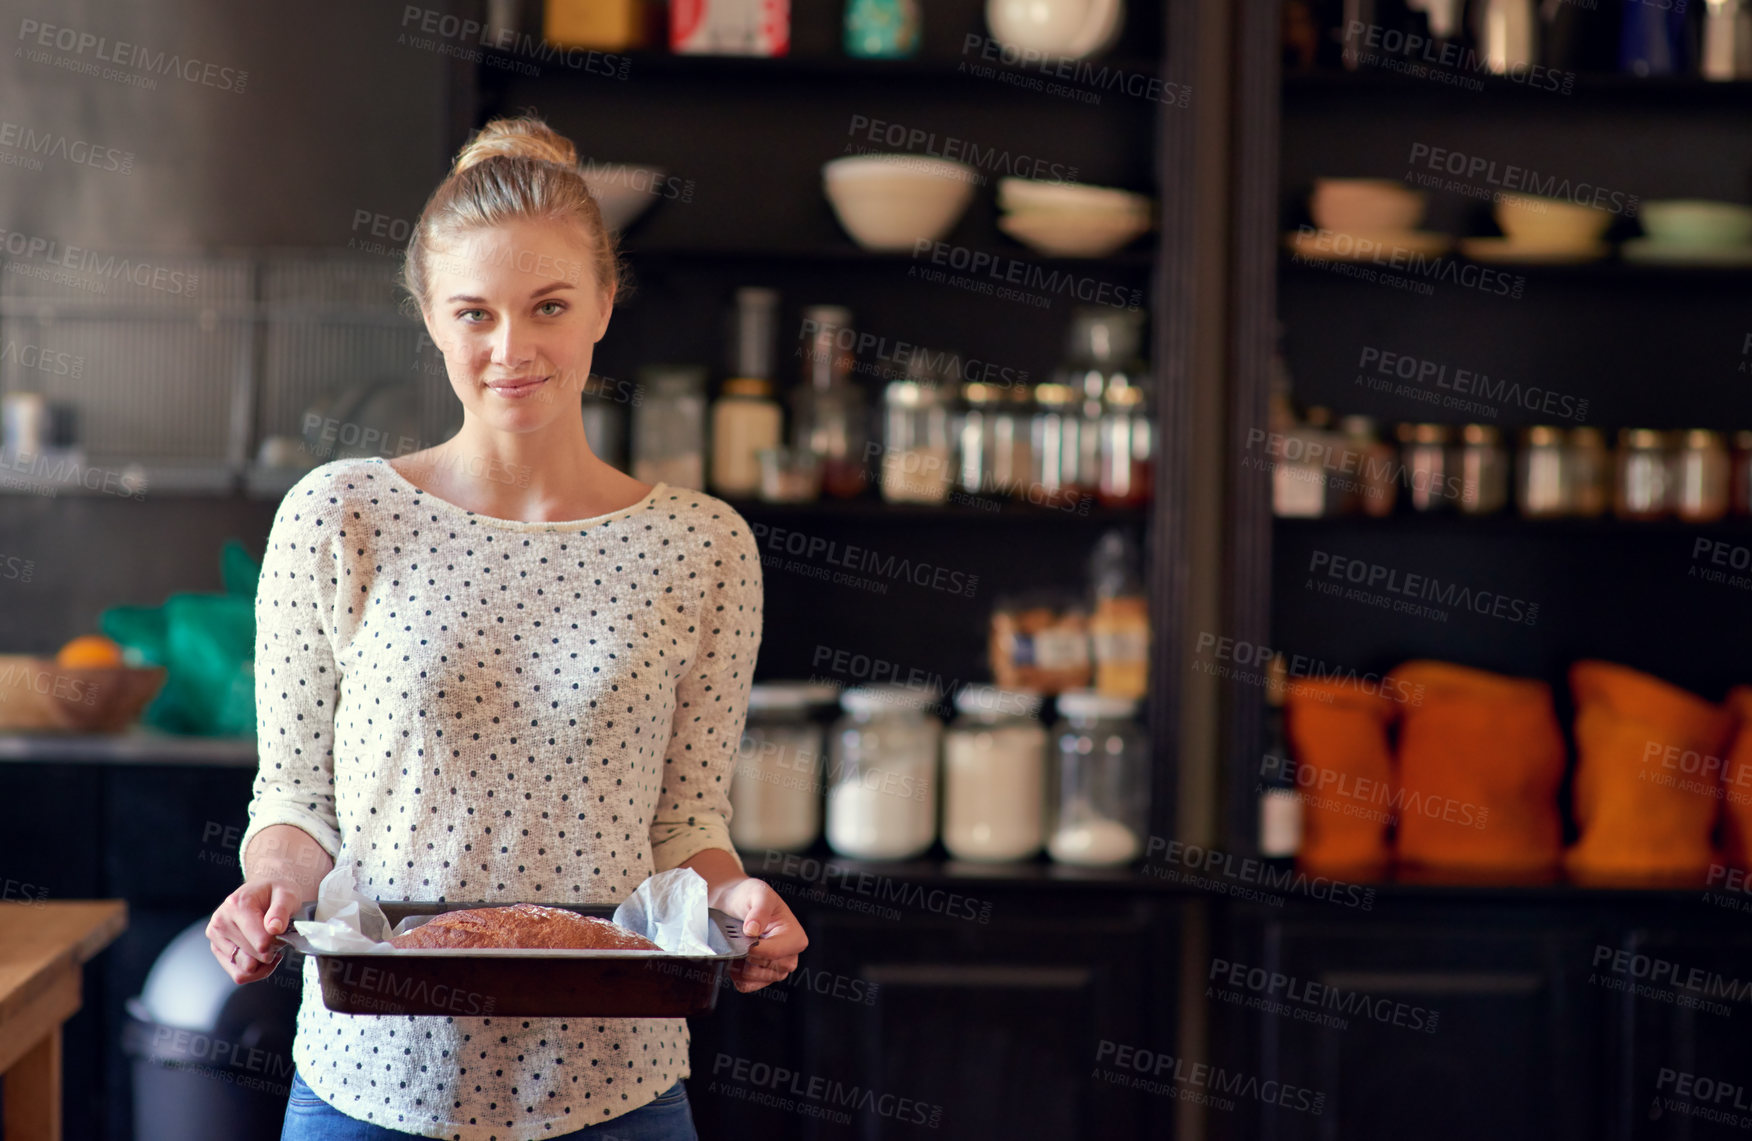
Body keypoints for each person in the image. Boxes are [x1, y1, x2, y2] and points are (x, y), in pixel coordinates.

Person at [204, 114, 806, 1141]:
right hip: (374, 1084)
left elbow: (684, 826)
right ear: (431, 319)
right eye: (475, 313)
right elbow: (299, 799)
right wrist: (267, 890)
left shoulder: (703, 545)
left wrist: (741, 903)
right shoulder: (340, 514)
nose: (512, 349)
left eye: (550, 306)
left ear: (604, 307)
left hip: (616, 1090)